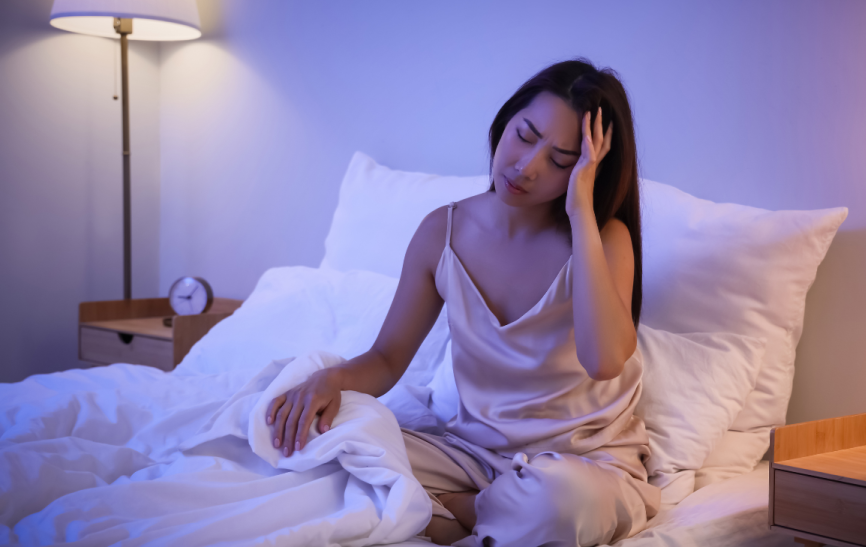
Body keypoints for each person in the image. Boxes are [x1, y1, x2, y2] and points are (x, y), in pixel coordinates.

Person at [266, 59, 659, 546]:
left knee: (564, 503)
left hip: (582, 468)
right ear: (505, 122)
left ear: (587, 169)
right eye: (525, 134)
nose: (526, 166)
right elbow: (388, 359)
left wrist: (581, 211)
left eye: (561, 161)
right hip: (471, 456)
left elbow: (603, 361)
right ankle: (479, 512)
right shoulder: (442, 232)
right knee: (328, 446)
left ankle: (459, 514)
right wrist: (332, 379)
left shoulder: (605, 238)